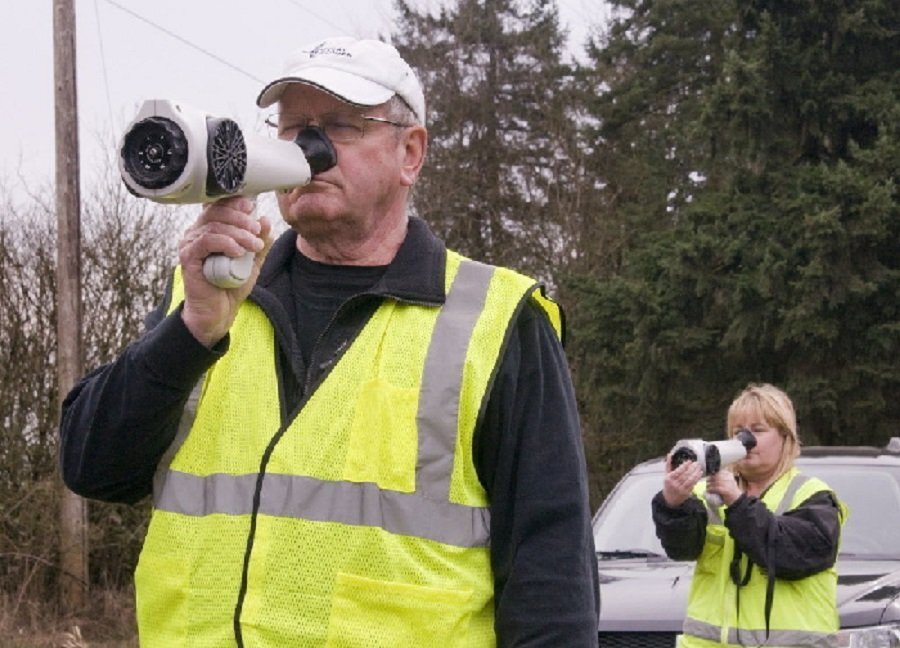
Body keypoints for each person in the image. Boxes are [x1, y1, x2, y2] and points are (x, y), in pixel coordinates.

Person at [59, 37, 599, 647]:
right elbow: (92, 469)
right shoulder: (204, 300)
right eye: (294, 128)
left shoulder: (495, 318)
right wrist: (191, 332)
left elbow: (551, 579)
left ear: (410, 153)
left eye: (341, 126)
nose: (309, 150)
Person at [652, 383, 846, 647]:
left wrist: (737, 502)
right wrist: (673, 503)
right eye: (738, 432)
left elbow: (788, 557)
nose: (746, 440)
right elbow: (682, 549)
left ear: (785, 437)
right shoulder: (705, 494)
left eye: (758, 430)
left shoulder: (813, 498)